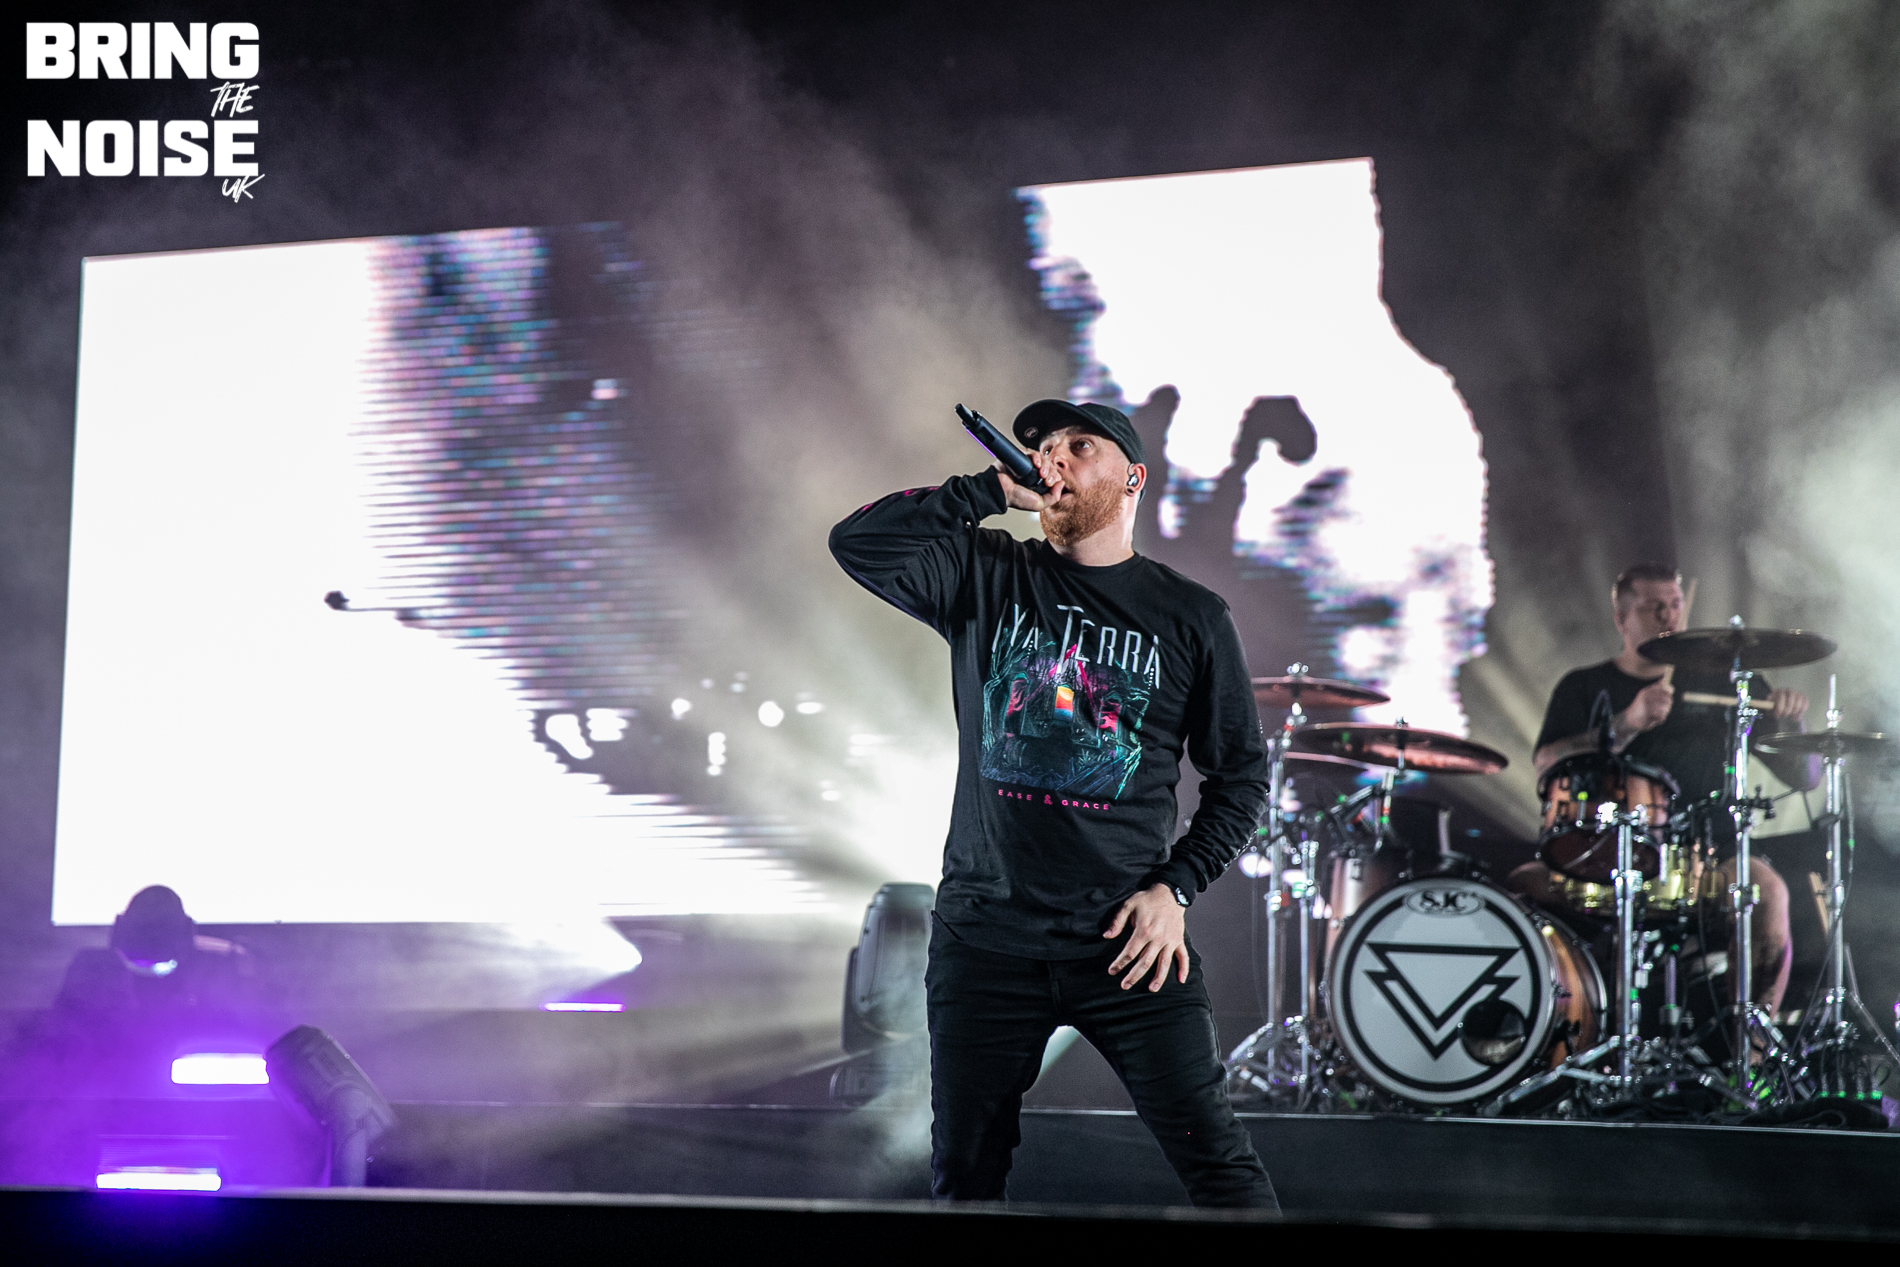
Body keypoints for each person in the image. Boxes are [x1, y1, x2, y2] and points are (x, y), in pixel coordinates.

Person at [829, 399, 1276, 1208]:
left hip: (1126, 943)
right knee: (967, 1177)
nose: (1051, 458)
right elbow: (857, 542)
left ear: (1132, 478)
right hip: (985, 938)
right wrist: (982, 492)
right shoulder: (987, 571)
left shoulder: (1191, 616)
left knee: (1220, 1166)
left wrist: (1174, 889)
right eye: (1041, 447)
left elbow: (1242, 778)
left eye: (1079, 445)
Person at [1509, 563, 1815, 1014]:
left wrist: (1793, 723)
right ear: (1622, 619)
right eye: (1654, 608)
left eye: (1675, 604)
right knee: (1522, 886)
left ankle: (1752, 1046)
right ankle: (1553, 1028)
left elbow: (1806, 778)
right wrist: (1626, 723)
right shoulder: (1585, 685)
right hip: (1604, 853)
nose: (1669, 616)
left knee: (1768, 893)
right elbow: (1545, 763)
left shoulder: (1727, 684)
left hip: (1707, 856)